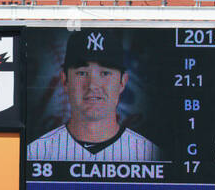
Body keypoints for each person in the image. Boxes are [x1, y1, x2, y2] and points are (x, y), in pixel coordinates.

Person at [27, 30, 161, 162]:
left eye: (105, 73)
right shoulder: (35, 151)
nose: (92, 85)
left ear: (122, 82)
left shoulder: (148, 153)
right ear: (65, 80)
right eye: (82, 73)